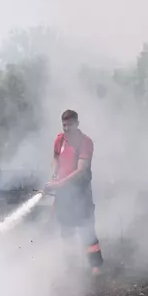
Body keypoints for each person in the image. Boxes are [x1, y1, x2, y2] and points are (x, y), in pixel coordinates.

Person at [45, 109, 104, 274]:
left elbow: (81, 170)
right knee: (66, 229)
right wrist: (55, 173)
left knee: (87, 228)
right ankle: (71, 266)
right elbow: (56, 158)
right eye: (64, 125)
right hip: (64, 193)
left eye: (69, 125)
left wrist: (59, 184)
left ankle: (95, 267)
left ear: (77, 124)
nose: (66, 128)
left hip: (81, 192)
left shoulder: (86, 142)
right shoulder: (59, 140)